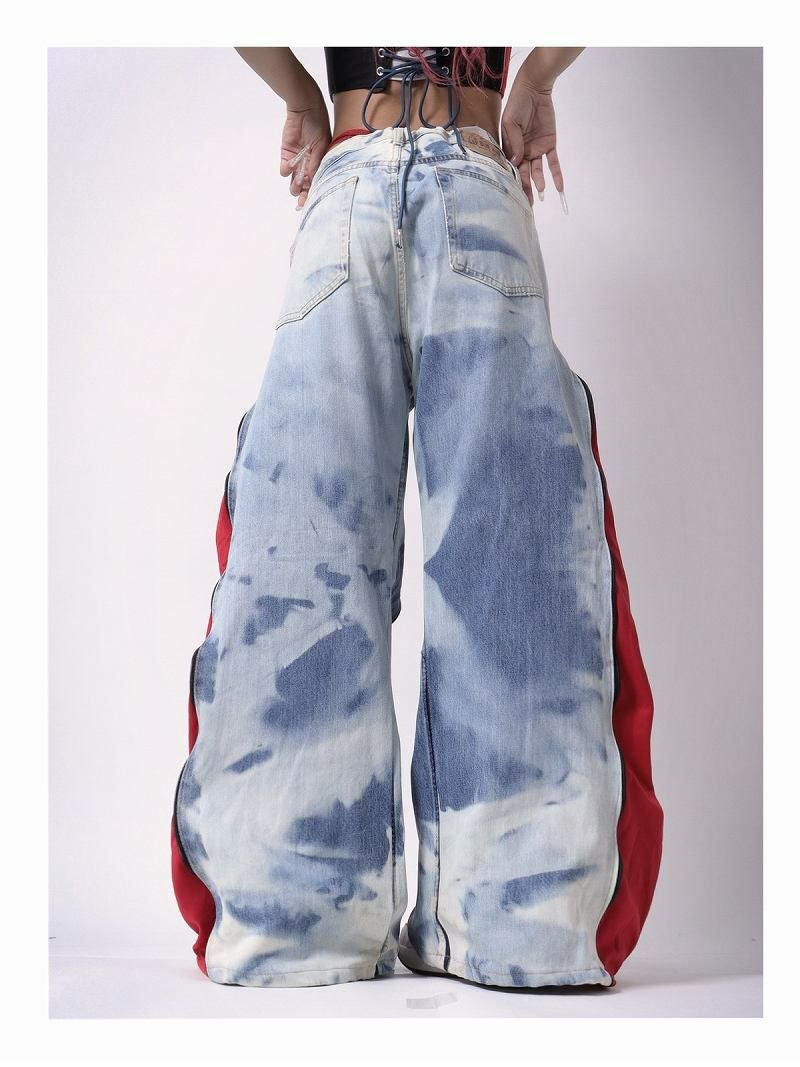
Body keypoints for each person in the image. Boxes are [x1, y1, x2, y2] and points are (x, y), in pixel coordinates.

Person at [170, 46, 664, 991]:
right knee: (510, 559)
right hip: (476, 177)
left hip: (348, 182)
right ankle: (522, 927)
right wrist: (535, 84)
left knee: (302, 560)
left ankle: (290, 922)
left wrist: (302, 97)